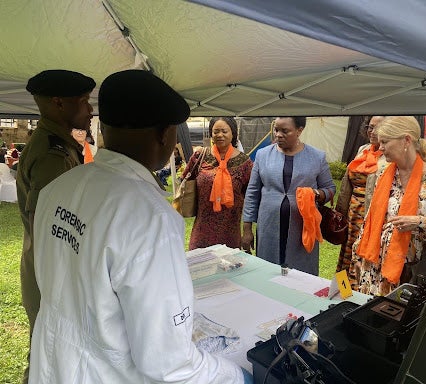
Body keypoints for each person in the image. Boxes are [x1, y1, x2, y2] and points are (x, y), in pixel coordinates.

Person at [29, 69, 251, 384]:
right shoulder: (149, 217)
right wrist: (237, 376)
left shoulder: (61, 187)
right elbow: (169, 360)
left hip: (54, 365)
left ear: (103, 127)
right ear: (164, 135)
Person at [16, 69, 95, 384]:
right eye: (84, 102)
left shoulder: (57, 144)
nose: (90, 110)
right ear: (60, 104)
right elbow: (51, 230)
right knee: (48, 355)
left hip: (48, 270)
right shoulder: (53, 155)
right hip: (51, 274)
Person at [351, 116, 426, 296]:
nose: (380, 148)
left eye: (385, 142)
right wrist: (358, 256)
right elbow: (370, 219)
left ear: (406, 140)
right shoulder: (383, 174)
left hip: (407, 274)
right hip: (372, 269)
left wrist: (420, 222)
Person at [241, 117, 336, 276]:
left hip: (302, 228)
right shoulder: (263, 155)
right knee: (267, 273)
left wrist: (317, 194)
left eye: (285, 131)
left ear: (299, 130)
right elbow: (252, 192)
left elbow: (330, 188)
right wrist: (247, 229)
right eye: (276, 130)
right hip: (269, 226)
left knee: (300, 276)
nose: (278, 134)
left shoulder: (317, 157)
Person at [185, 117, 253, 250]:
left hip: (230, 231)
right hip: (202, 229)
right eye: (216, 131)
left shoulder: (245, 163)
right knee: (200, 267)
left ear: (233, 133)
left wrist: (247, 229)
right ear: (211, 133)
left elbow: (251, 197)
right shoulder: (200, 156)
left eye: (224, 131)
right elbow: (186, 179)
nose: (220, 135)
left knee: (229, 267)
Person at [335, 116, 387, 287]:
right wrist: (340, 212)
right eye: (369, 127)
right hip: (352, 215)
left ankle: (356, 296)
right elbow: (347, 183)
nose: (372, 131)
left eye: (377, 128)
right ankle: (342, 293)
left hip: (370, 218)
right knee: (346, 256)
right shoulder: (363, 150)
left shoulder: (389, 158)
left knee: (361, 259)